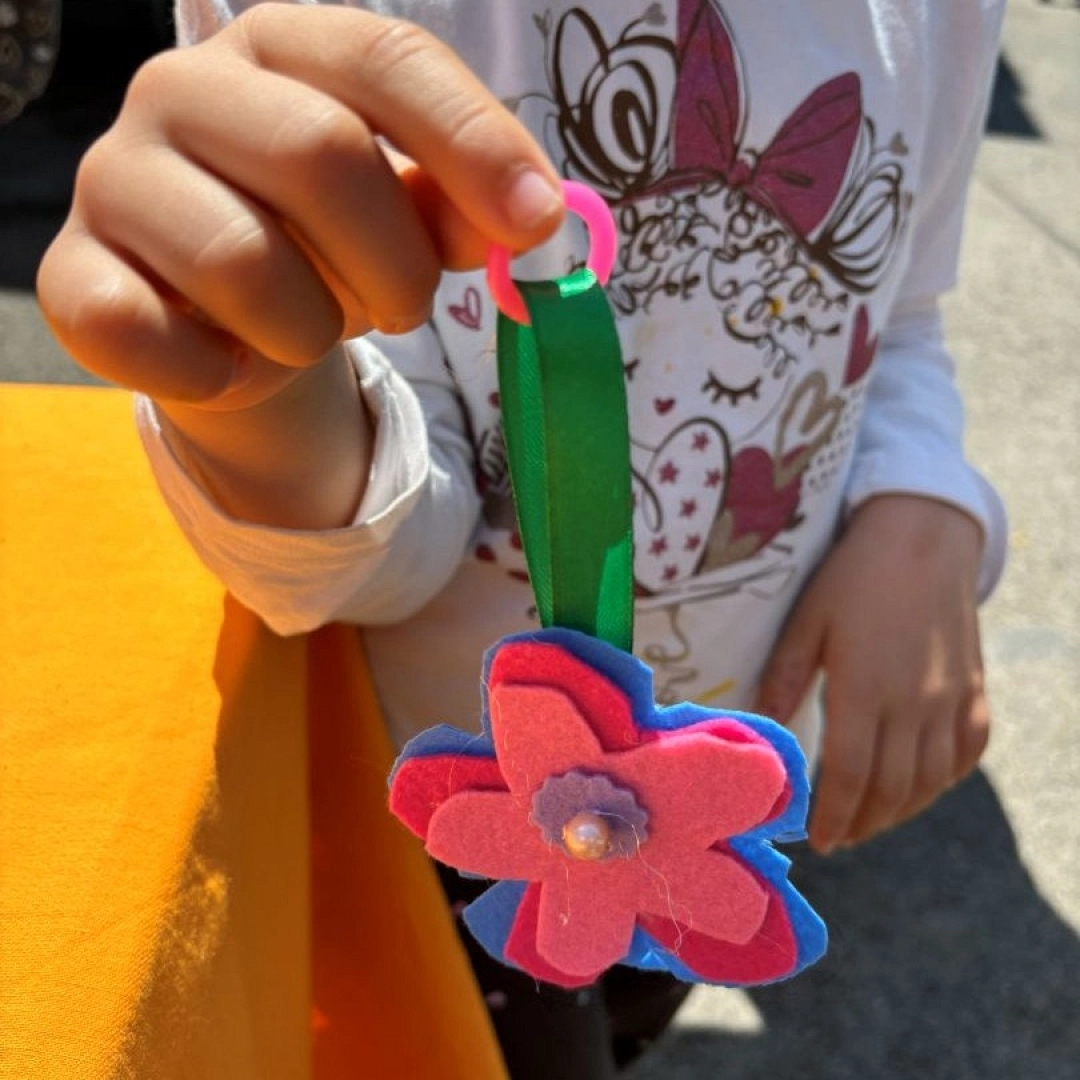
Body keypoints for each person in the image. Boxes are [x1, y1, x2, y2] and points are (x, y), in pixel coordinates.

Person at [36, 1, 1008, 1075]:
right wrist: (251, 391)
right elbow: (386, 549)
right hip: (442, 815)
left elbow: (907, 310)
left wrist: (924, 507)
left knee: (632, 1013)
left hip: (729, 778)